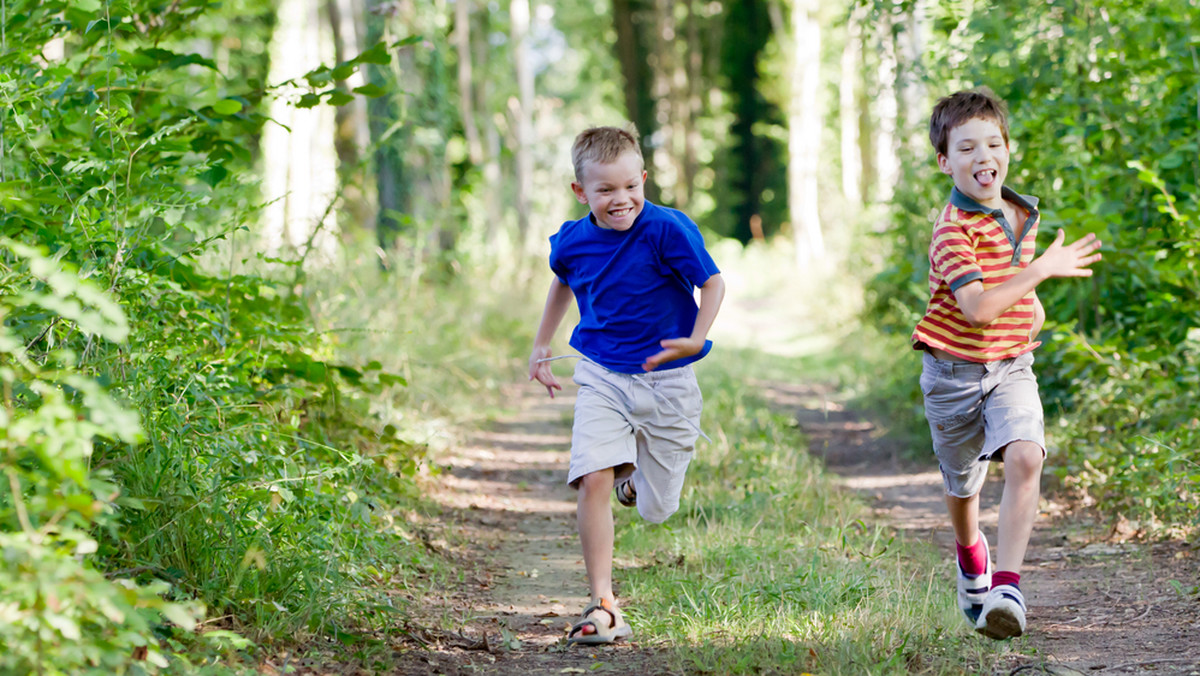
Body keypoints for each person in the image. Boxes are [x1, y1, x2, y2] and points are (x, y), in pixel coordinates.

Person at [911, 87, 1102, 640]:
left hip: (1012, 367)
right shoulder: (951, 230)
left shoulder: (1022, 214)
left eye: (993, 143)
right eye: (966, 148)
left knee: (1025, 456)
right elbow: (976, 309)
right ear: (945, 161)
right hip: (952, 376)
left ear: (1008, 149)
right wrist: (1041, 273)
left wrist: (1031, 311)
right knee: (963, 485)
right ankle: (971, 552)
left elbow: (1014, 288)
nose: (983, 157)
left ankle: (1008, 587)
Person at [528, 126, 725, 645]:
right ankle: (604, 604)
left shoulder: (667, 229)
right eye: (605, 191)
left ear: (643, 178)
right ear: (581, 193)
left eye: (629, 187)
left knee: (658, 509)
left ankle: (632, 479)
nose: (621, 200)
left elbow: (712, 282)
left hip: (669, 382)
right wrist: (541, 344)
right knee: (592, 476)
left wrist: (695, 339)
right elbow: (563, 281)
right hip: (601, 374)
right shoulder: (573, 240)